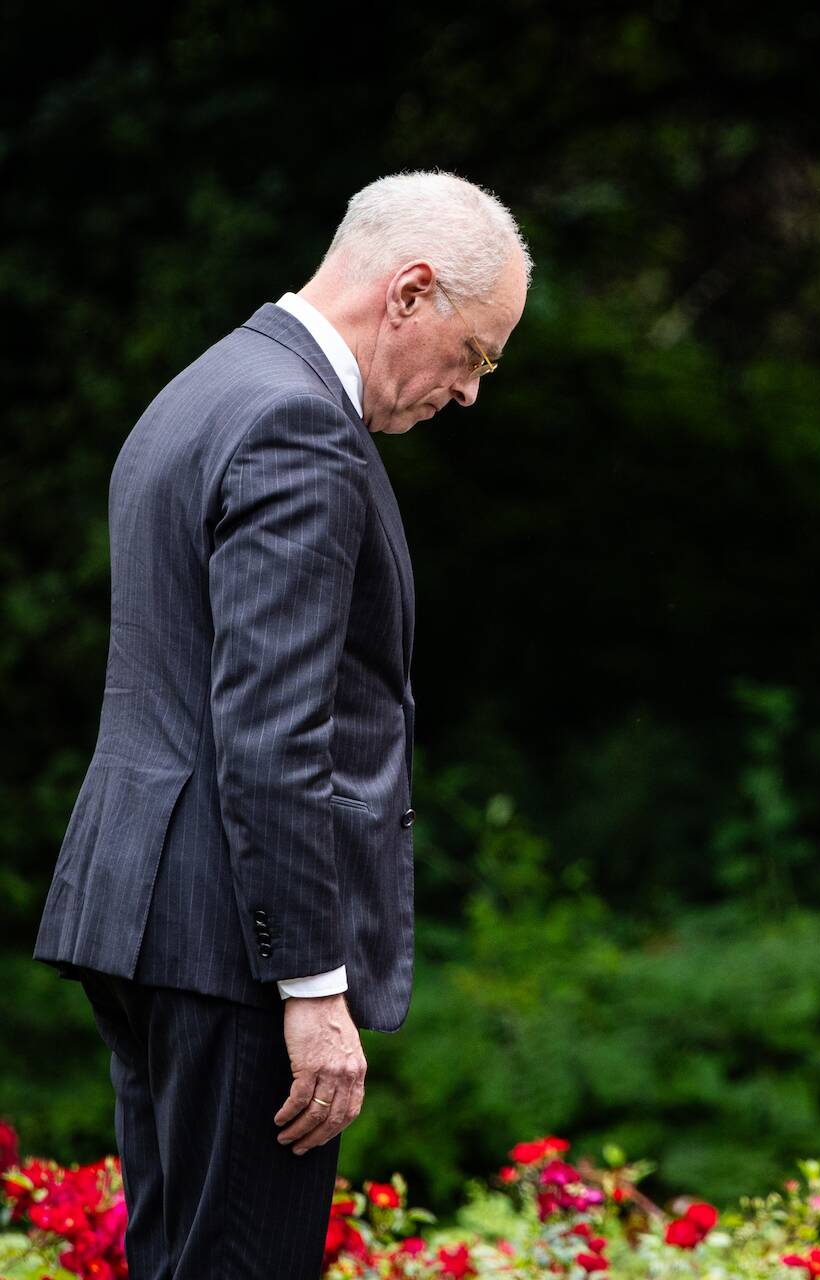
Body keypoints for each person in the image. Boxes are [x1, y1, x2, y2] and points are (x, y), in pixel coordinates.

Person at [35, 171, 530, 1278]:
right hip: (235, 945)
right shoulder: (300, 425)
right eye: (475, 354)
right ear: (411, 292)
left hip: (147, 916)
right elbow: (272, 731)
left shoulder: (207, 385)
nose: (467, 392)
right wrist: (310, 983)